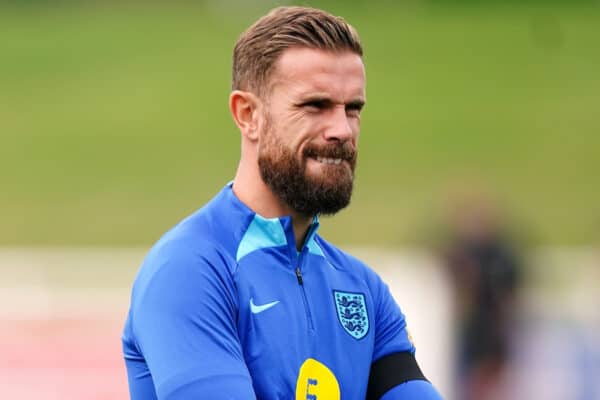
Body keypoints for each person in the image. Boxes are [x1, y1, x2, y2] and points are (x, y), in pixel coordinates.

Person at [122, 6, 443, 400]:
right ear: (248, 115)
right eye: (315, 106)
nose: (342, 130)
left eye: (353, 109)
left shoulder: (364, 290)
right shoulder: (191, 270)